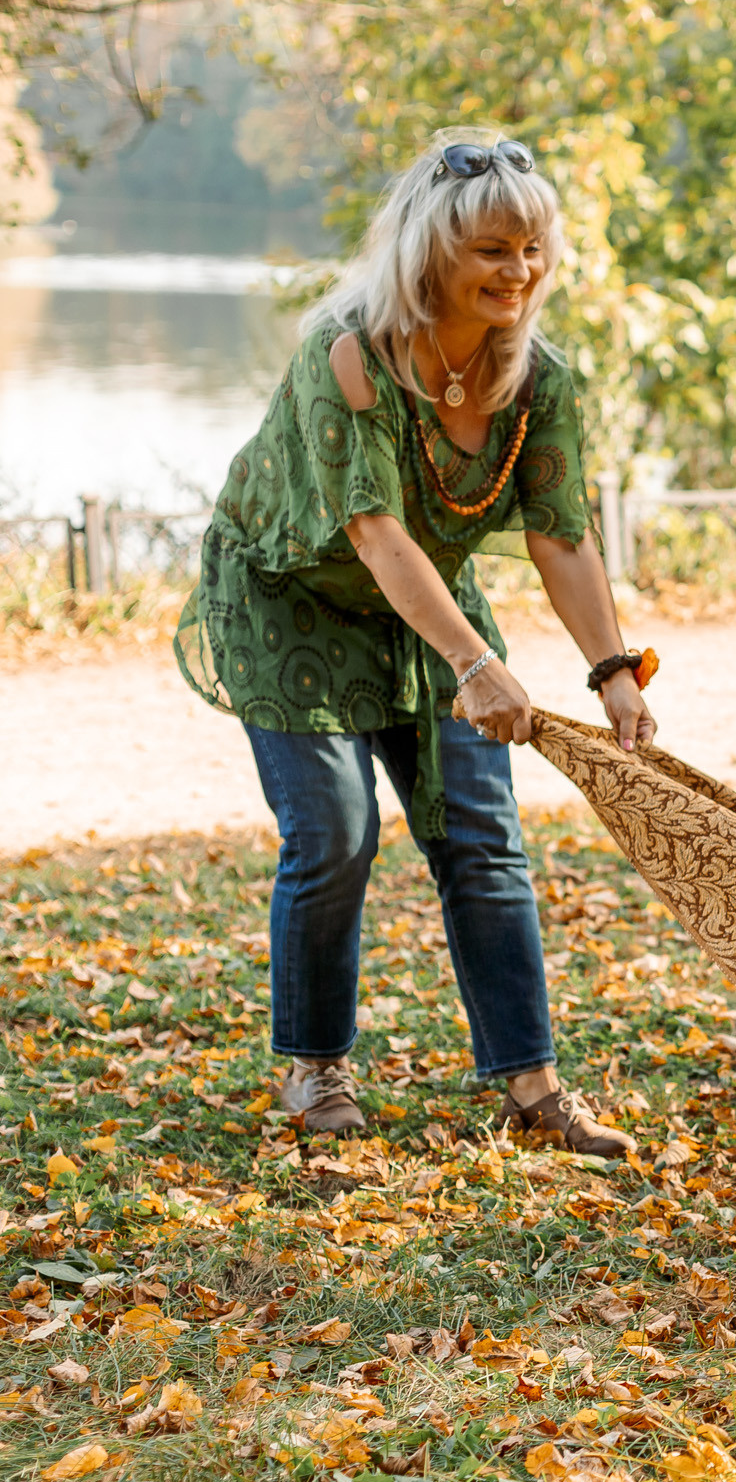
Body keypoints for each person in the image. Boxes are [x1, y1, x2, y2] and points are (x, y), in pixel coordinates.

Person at [175, 128, 651, 1157]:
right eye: (492, 249)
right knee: (337, 830)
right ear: (432, 251)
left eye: (532, 248)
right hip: (291, 596)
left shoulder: (539, 381)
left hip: (424, 605)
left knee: (483, 837)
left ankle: (532, 1085)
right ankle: (315, 1065)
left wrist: (612, 671)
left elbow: (560, 538)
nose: (519, 271)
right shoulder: (347, 356)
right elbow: (375, 531)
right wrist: (477, 663)